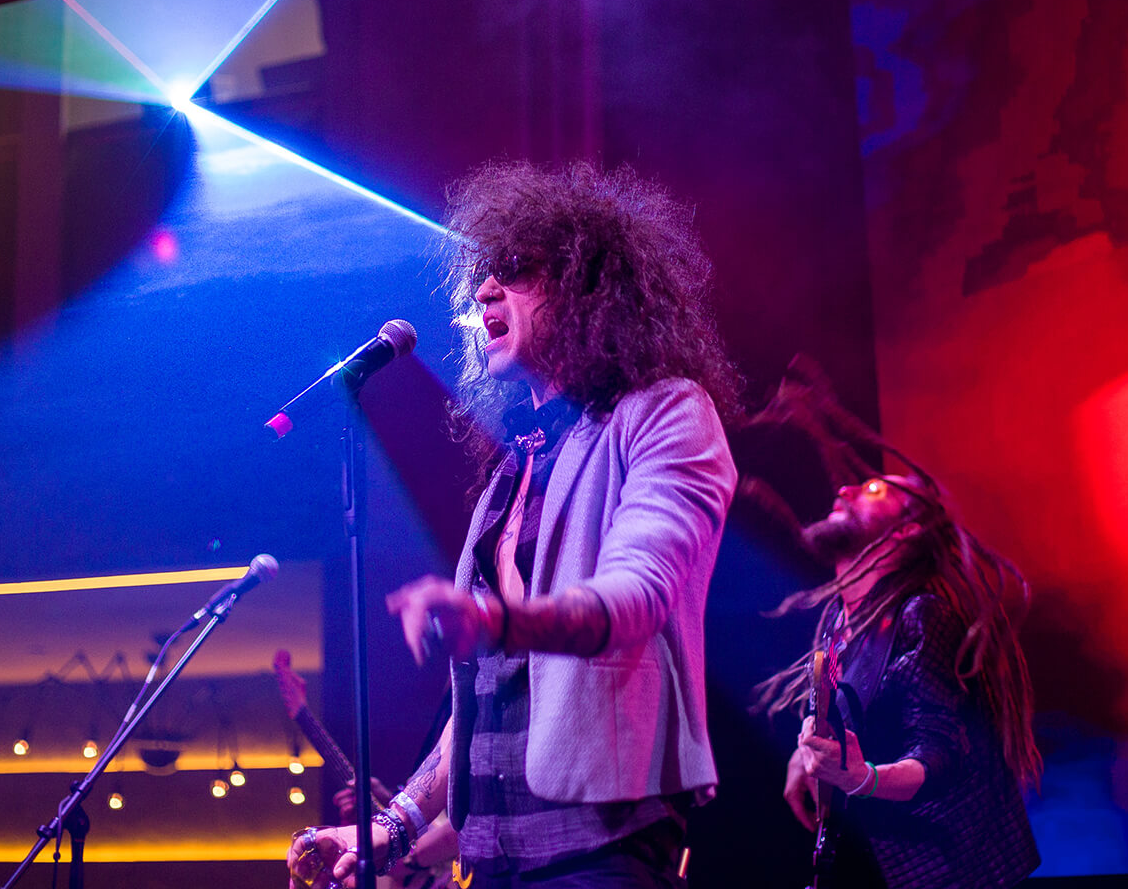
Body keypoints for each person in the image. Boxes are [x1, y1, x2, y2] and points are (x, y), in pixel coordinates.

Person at [287, 160, 739, 888]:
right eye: (481, 276)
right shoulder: (511, 473)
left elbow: (639, 594)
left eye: (515, 269)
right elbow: (484, 695)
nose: (484, 290)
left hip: (602, 848)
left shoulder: (666, 413)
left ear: (588, 287)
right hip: (492, 856)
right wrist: (392, 827)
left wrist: (496, 620)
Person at [753, 399, 1042, 888]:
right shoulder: (838, 619)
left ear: (906, 530)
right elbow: (850, 716)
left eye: (872, 489)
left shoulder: (920, 615)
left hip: (950, 873)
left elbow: (941, 754)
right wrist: (808, 754)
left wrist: (860, 778)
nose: (844, 489)